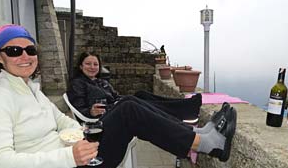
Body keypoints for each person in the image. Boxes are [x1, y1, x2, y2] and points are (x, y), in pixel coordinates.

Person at [0, 24, 237, 168]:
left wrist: (82, 135)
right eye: (13, 51)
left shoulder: (31, 91)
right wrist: (68, 155)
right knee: (128, 110)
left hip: (70, 165)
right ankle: (207, 143)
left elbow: (62, 121)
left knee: (129, 105)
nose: (25, 56)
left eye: (30, 50)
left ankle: (198, 136)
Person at [67, 51, 202, 122]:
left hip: (115, 107)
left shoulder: (101, 81)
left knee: (141, 95)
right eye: (88, 64)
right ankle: (185, 109)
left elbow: (116, 96)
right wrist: (90, 112)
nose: (92, 67)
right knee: (132, 102)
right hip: (105, 118)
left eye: (95, 64)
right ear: (80, 66)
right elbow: (79, 111)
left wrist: (127, 98)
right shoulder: (78, 83)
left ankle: (184, 106)